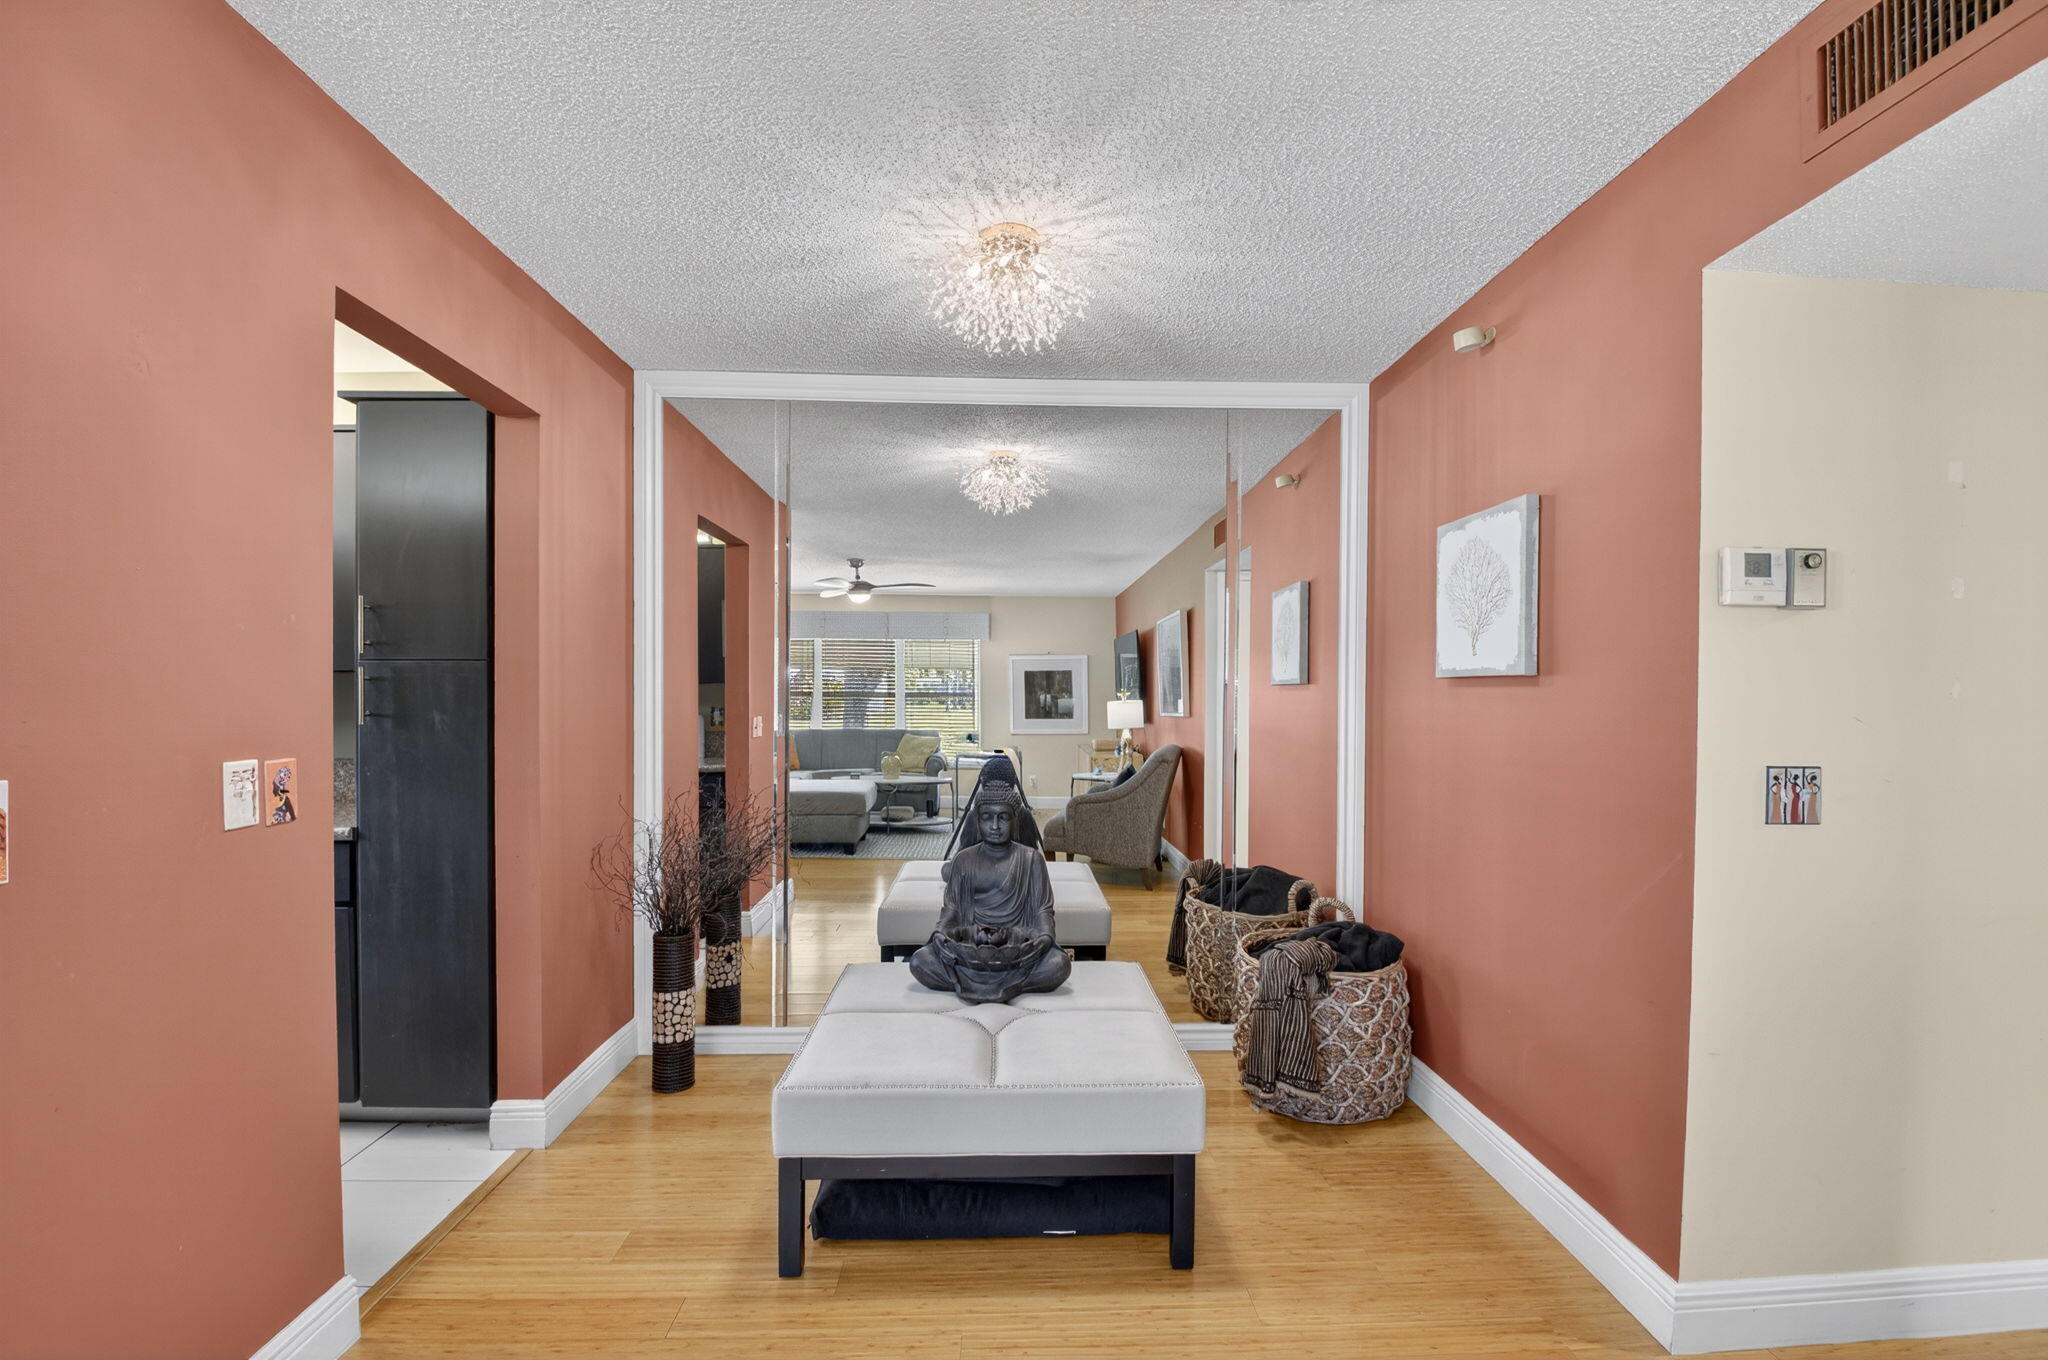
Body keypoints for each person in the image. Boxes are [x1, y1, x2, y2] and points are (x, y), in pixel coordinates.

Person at [909, 782, 1070, 1003]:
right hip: (970, 948)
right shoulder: (964, 860)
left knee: (1059, 965)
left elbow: (1043, 909)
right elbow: (951, 910)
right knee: (920, 961)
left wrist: (1044, 938)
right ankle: (1005, 985)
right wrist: (939, 935)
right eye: (987, 817)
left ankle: (1013, 985)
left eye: (1003, 818)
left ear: (1015, 820)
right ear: (977, 820)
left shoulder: (1031, 859)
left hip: (1017, 950)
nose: (995, 826)